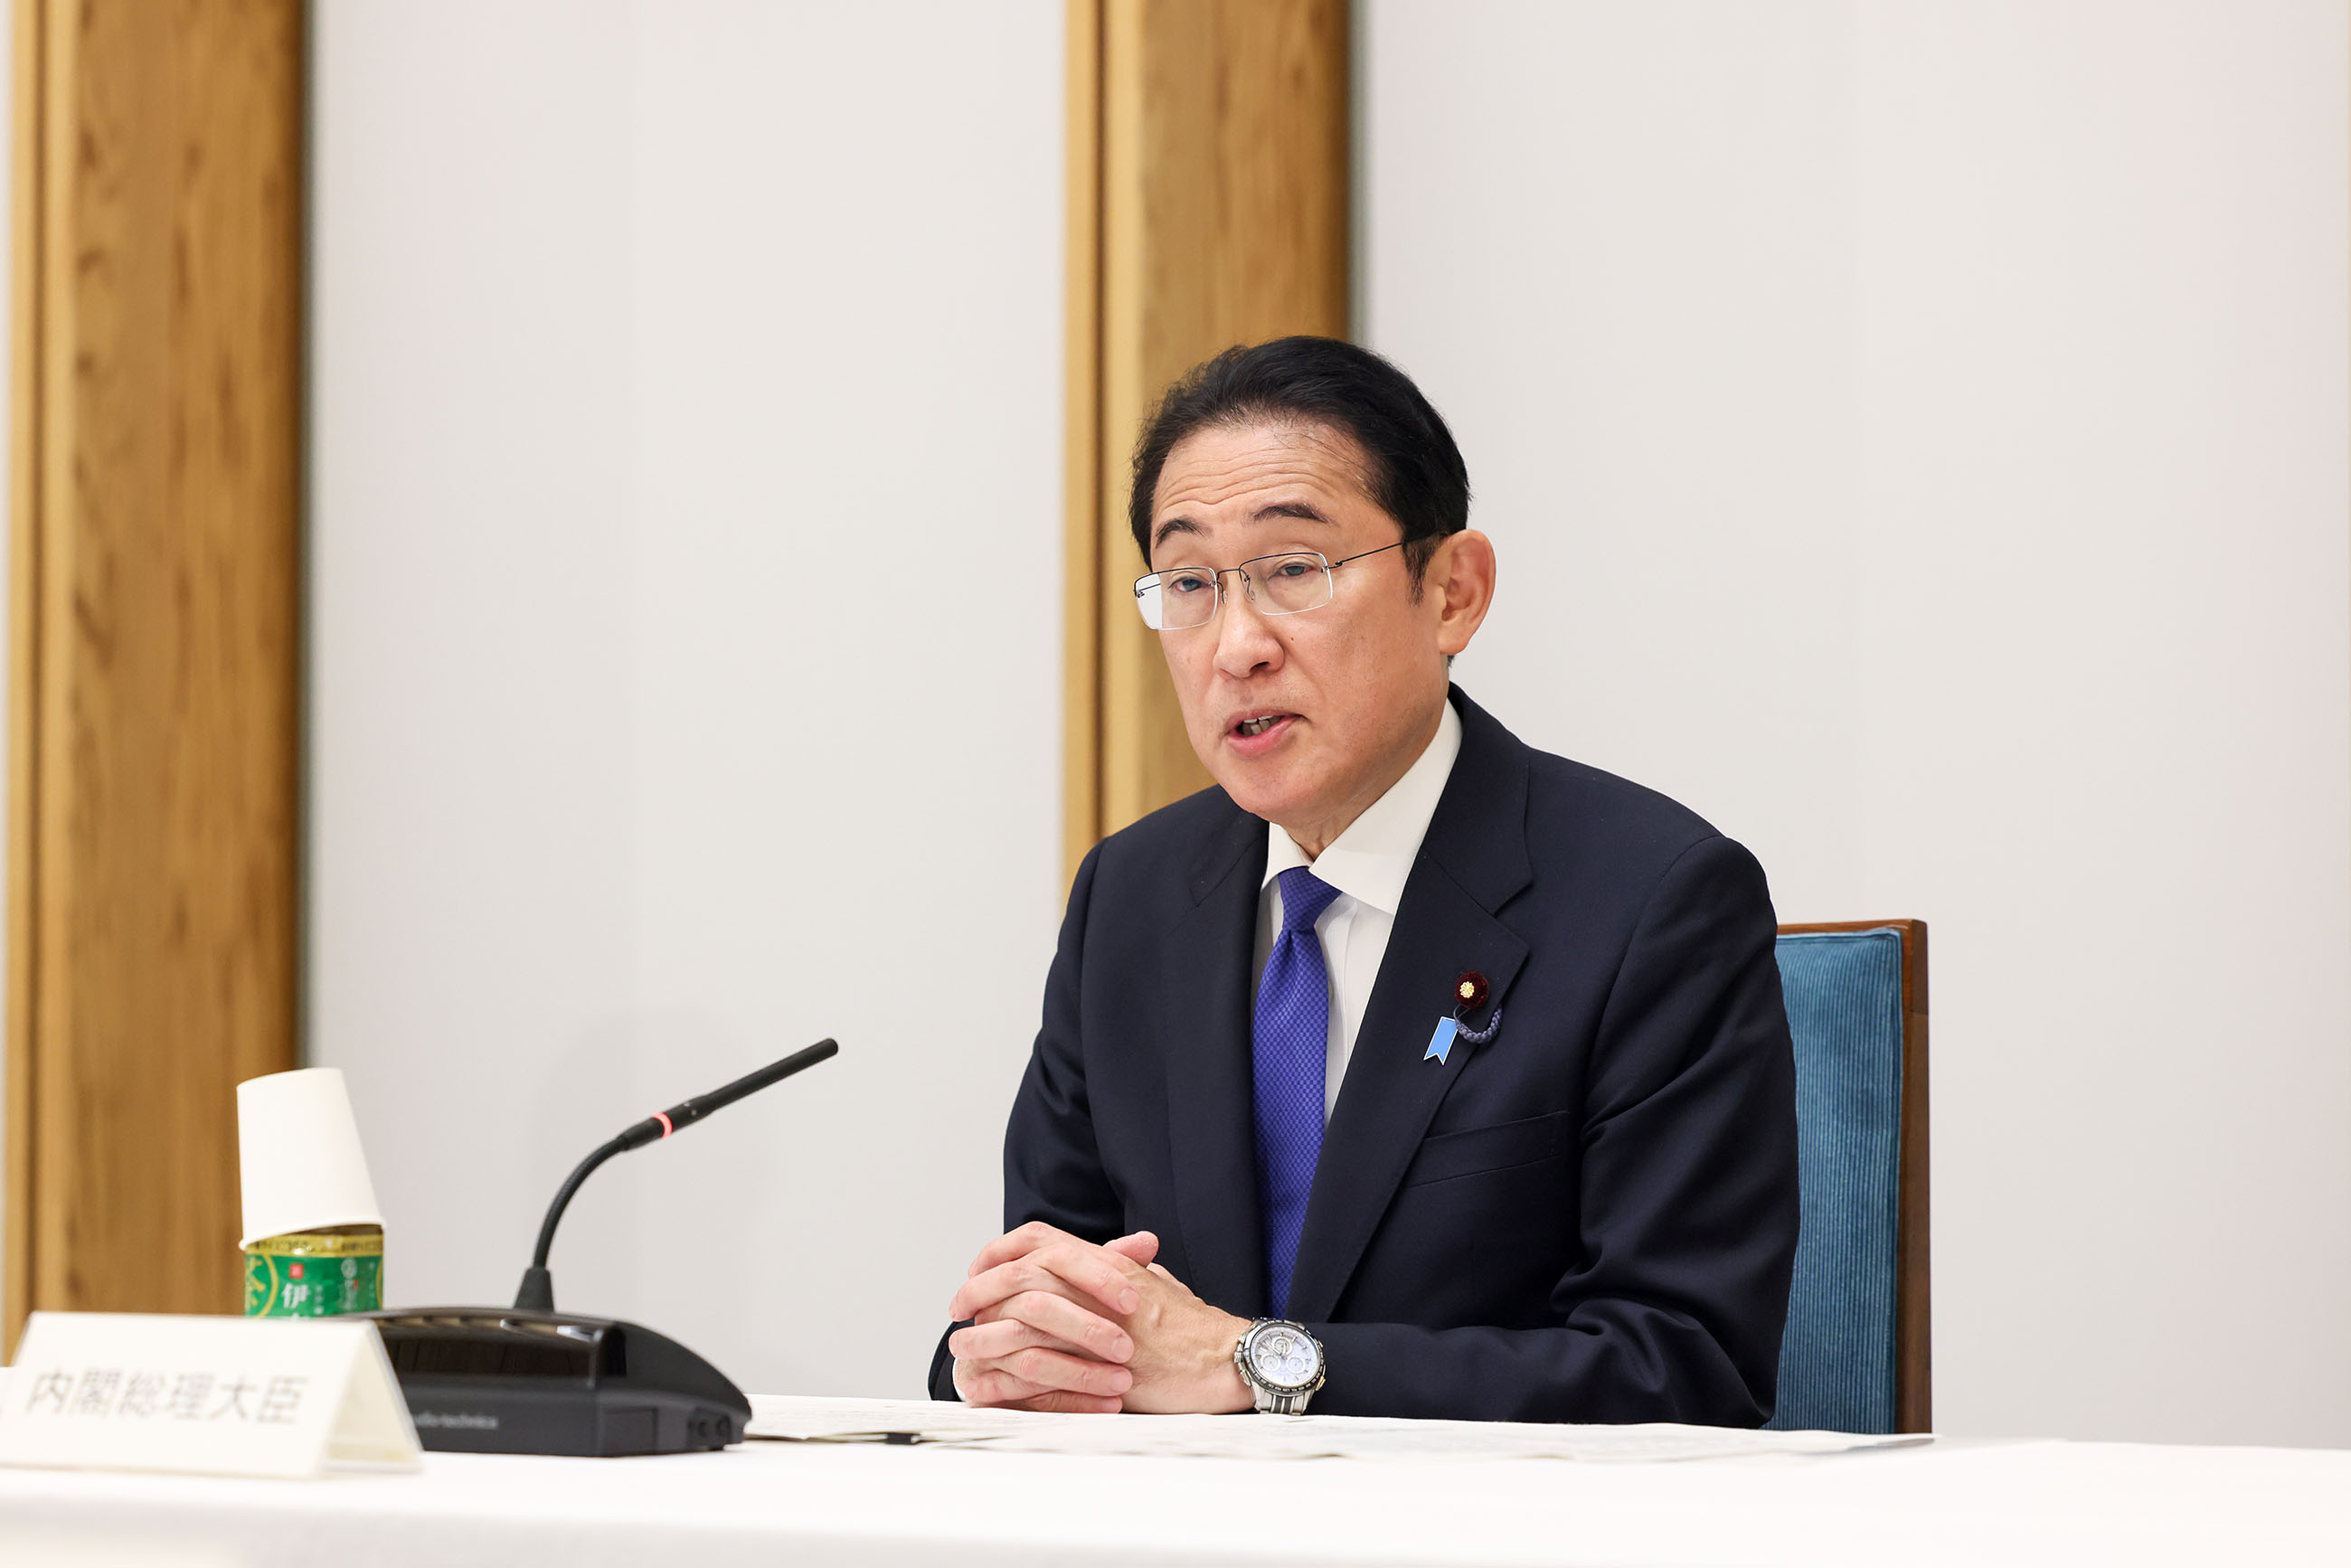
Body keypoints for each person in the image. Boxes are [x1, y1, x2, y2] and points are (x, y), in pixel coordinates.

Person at [930, 336, 1799, 1422]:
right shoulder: (1131, 898)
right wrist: (1009, 1353)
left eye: (1293, 570)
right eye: (1189, 584)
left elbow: (1681, 1368)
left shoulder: (1649, 901)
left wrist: (1255, 1365)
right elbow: (1055, 1292)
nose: (1235, 646)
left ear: (1452, 593)